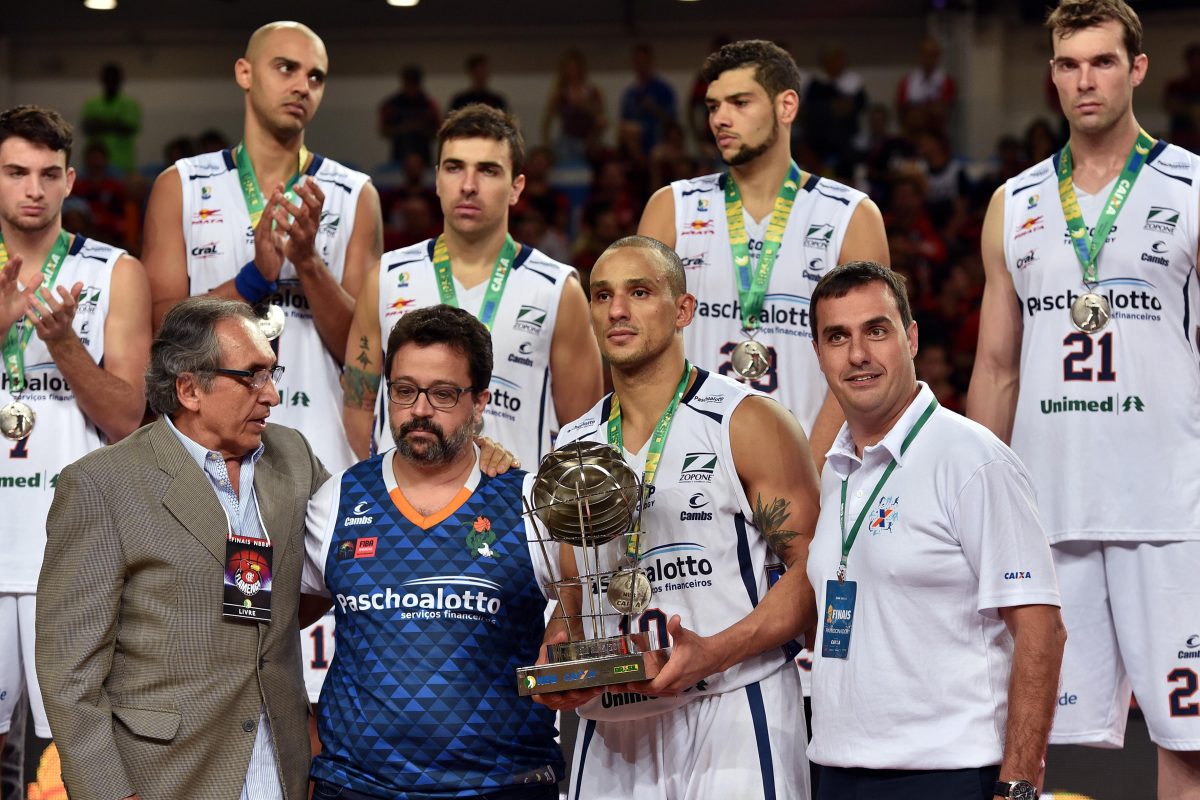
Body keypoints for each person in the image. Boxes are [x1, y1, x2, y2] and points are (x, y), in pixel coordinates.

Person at [967, 2, 1200, 796]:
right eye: (1068, 65)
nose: (1084, 80)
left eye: (1102, 61)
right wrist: (974, 504)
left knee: (1188, 741)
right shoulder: (1014, 202)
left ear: (1138, 68)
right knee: (1025, 740)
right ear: (1053, 75)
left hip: (1171, 508)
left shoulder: (1191, 186)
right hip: (1049, 508)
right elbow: (995, 367)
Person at [540, 235, 821, 800]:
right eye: (602, 295)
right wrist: (558, 655)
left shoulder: (748, 421)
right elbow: (574, 595)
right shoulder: (574, 445)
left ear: (683, 310)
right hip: (613, 726)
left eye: (640, 292)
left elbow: (814, 574)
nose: (617, 310)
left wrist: (715, 652)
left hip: (733, 708)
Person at [36, 297, 328, 800]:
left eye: (272, 373)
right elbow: (69, 671)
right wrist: (109, 794)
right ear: (190, 389)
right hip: (165, 775)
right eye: (253, 376)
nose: (273, 394)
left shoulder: (294, 456)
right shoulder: (102, 485)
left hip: (281, 765)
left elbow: (343, 563)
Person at [806, 260, 1065, 800]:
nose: (858, 354)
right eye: (838, 337)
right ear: (819, 353)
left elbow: (1041, 629)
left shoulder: (972, 460)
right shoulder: (836, 471)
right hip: (837, 769)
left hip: (949, 774)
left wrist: (1018, 782)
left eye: (876, 331)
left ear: (911, 338)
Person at [303, 304, 562, 799]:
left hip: (502, 786)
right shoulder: (337, 498)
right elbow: (283, 619)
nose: (419, 409)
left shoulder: (528, 501)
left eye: (443, 394)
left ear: (480, 401)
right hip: (356, 787)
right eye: (404, 390)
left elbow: (584, 603)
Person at [143, 20, 381, 479]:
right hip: (207, 451)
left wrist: (308, 262)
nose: (302, 86)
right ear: (245, 73)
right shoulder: (181, 185)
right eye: (286, 68)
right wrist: (255, 278)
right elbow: (160, 331)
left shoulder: (356, 194)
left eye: (316, 76)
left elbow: (364, 350)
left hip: (321, 451)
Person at [639, 39, 889, 474]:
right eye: (713, 106)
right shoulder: (671, 208)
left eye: (739, 103)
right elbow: (641, 350)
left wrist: (808, 473)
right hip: (688, 471)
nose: (720, 118)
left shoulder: (850, 215)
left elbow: (867, 358)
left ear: (786, 106)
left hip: (816, 468)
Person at [0, 104, 150, 758]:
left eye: (47, 173)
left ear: (69, 181)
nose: (32, 189)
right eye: (15, 172)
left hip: (72, 556)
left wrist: (63, 344)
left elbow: (128, 420)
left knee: (70, 760)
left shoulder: (115, 273)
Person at [343, 103, 602, 469]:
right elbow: (358, 406)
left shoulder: (557, 290)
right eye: (454, 168)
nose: (468, 185)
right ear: (437, 179)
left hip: (512, 500)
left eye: (488, 170)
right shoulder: (386, 278)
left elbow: (585, 434)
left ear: (516, 187)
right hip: (401, 501)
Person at [80, 63, 141, 176]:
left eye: (114, 78)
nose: (111, 81)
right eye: (107, 78)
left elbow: (128, 129)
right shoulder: (92, 103)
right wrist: (115, 123)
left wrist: (100, 123)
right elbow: (87, 128)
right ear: (102, 80)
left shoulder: (130, 104)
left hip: (123, 163)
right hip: (95, 164)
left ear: (120, 80)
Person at [620, 44, 678, 159]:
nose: (641, 67)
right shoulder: (630, 93)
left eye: (644, 62)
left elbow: (672, 121)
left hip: (658, 139)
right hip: (634, 144)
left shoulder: (663, 90)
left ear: (651, 63)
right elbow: (624, 120)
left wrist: (653, 108)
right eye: (638, 63)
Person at [378, 65, 442, 167]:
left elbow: (439, 132)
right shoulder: (391, 105)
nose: (411, 86)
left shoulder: (429, 104)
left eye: (414, 82)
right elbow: (383, 131)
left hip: (424, 158)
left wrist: (421, 128)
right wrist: (405, 128)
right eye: (409, 82)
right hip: (400, 156)